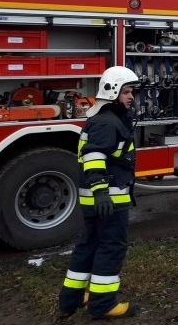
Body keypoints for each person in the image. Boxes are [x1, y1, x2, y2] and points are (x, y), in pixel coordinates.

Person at [58, 66, 140, 319]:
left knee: (89, 245)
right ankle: (103, 303)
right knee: (111, 247)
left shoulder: (102, 118)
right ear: (112, 91)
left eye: (132, 92)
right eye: (126, 92)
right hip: (109, 201)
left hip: (96, 200)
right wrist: (102, 192)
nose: (131, 97)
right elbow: (94, 157)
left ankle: (70, 300)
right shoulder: (107, 122)